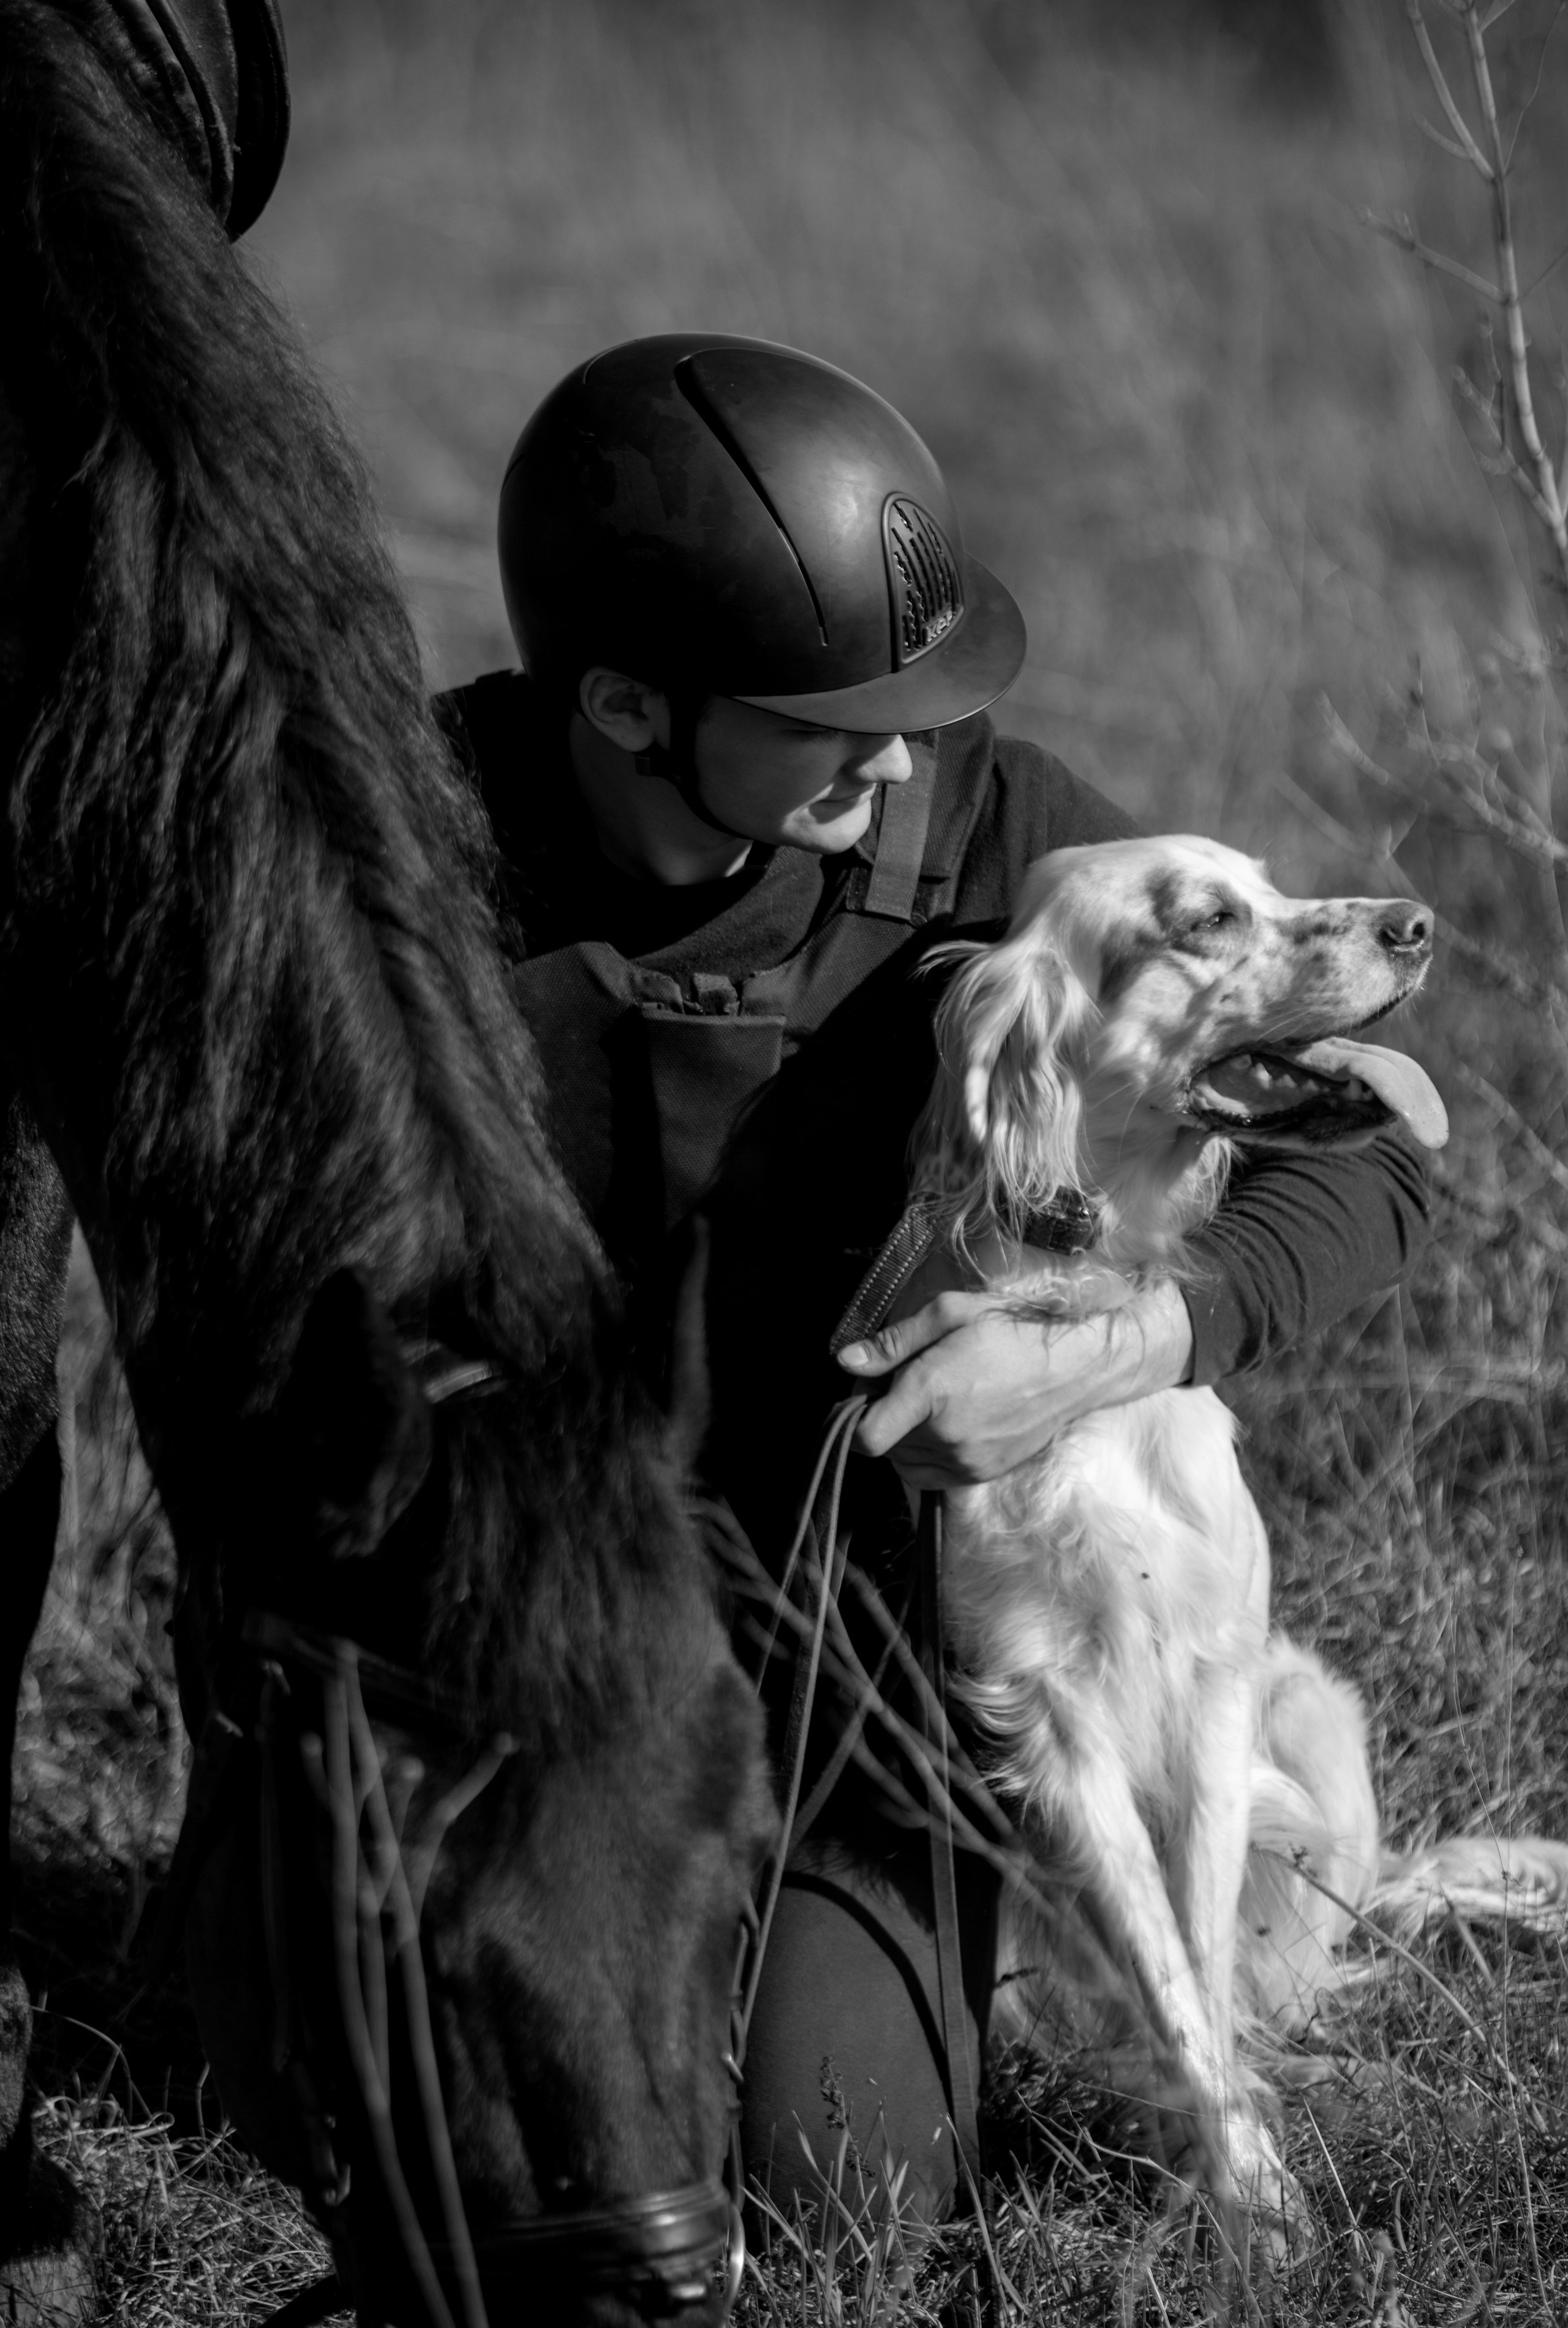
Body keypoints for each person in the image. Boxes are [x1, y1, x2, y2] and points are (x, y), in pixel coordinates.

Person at [434, 331, 1431, 2220]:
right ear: (630, 708)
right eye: (830, 717)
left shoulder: (996, 839)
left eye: (909, 704)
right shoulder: (409, 847)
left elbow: (1373, 1171)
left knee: (849, 2182)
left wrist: (1121, 1349)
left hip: (851, 1653)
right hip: (522, 1625)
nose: (896, 753)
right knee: (450, 2122)